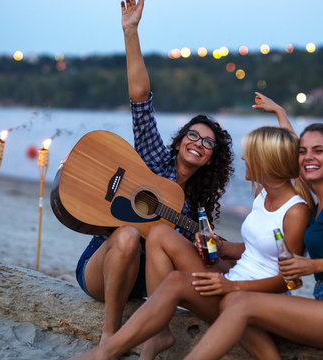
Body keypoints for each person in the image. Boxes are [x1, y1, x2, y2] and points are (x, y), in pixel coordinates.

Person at [71, 124, 313, 360]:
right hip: (235, 280)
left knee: (176, 280)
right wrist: (223, 247)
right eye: (193, 135)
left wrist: (232, 287)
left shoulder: (296, 212)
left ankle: (105, 352)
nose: (243, 157)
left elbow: (290, 280)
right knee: (159, 234)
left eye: (249, 153)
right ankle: (158, 334)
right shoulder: (263, 196)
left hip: (250, 297)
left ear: (267, 160)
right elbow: (257, 248)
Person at [73, 0, 234, 352]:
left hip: (145, 287)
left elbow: (198, 264)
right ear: (179, 142)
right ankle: (110, 334)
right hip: (102, 269)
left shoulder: (196, 209)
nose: (198, 143)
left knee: (156, 238)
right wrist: (131, 31)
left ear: (210, 160)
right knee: (129, 235)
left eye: (208, 143)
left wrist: (227, 256)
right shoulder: (152, 161)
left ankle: (154, 329)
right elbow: (140, 98)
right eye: (193, 134)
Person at [182, 120, 323, 359]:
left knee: (239, 301)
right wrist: (280, 115)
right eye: (303, 152)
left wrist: (313, 265)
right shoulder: (320, 202)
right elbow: (281, 157)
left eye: (318, 151)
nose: (308, 157)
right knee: (235, 302)